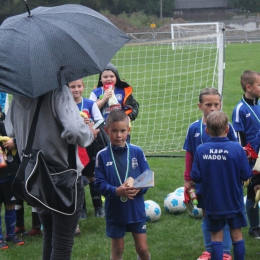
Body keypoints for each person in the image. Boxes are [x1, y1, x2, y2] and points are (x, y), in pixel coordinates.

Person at [5, 85, 99, 259]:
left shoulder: (18, 92)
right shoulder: (58, 90)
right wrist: (89, 134)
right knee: (62, 243)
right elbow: (74, 129)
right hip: (63, 176)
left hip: (35, 175)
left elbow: (10, 129)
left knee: (49, 236)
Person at [183, 87, 237, 260]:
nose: (213, 108)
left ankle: (226, 252)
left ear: (220, 105)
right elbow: (189, 154)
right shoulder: (194, 129)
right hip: (204, 182)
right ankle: (209, 250)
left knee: (225, 215)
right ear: (200, 106)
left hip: (225, 182)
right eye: (208, 105)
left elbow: (236, 152)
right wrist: (187, 179)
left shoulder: (227, 127)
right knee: (207, 215)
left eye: (216, 104)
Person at [191, 110, 252, 260]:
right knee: (237, 235)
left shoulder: (201, 150)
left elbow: (196, 177)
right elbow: (246, 174)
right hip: (234, 201)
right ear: (227, 129)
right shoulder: (237, 148)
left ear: (207, 130)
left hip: (213, 202)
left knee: (216, 238)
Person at [94, 109, 151, 260]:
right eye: (114, 131)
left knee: (143, 249)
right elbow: (98, 184)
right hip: (115, 211)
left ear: (128, 130)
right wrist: (116, 191)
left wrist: (137, 187)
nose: (118, 135)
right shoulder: (102, 155)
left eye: (122, 131)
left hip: (135, 209)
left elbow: (148, 177)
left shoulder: (137, 152)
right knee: (118, 249)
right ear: (106, 131)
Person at [68, 79, 105, 234]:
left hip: (89, 145)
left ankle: (98, 206)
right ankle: (82, 209)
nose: (76, 89)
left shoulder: (90, 104)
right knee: (78, 176)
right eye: (72, 87)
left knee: (92, 176)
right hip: (73, 146)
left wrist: (92, 128)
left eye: (78, 86)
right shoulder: (66, 106)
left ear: (83, 87)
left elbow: (100, 121)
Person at [232, 70, 260, 239]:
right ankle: (255, 227)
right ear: (248, 87)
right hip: (252, 159)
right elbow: (239, 137)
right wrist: (245, 159)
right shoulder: (240, 109)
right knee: (253, 192)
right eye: (259, 85)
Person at [0, 106, 24, 249]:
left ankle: (10, 234)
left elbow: (20, 137)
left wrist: (13, 142)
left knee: (10, 203)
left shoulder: (6, 124)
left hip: (9, 172)